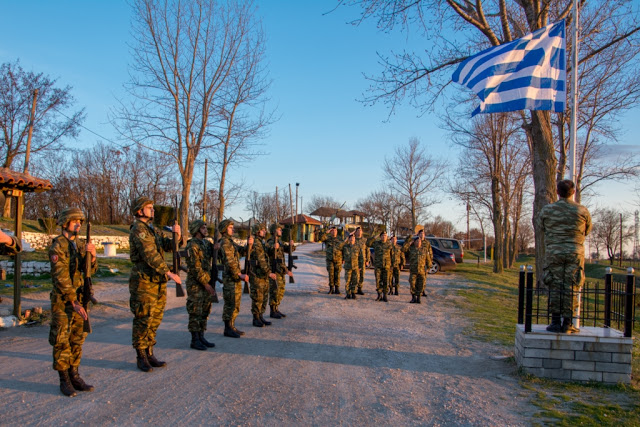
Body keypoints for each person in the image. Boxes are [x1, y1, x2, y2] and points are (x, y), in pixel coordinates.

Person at [129, 196, 182, 372]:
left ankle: (149, 352)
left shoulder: (152, 229)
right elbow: (149, 254)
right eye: (149, 207)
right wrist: (167, 272)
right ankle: (141, 356)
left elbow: (168, 245)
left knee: (155, 319)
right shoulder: (139, 229)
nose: (153, 210)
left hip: (156, 280)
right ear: (139, 211)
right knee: (143, 318)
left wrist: (177, 235)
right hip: (144, 281)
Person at [48, 207, 96, 397]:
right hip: (64, 300)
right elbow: (60, 277)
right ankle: (64, 379)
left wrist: (92, 256)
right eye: (75, 221)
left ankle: (74, 374)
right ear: (65, 222)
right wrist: (73, 301)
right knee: (62, 340)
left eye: (80, 222)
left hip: (80, 297)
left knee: (77, 338)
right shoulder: (57, 246)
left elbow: (91, 270)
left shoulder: (80, 244)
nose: (78, 224)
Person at [539, 179, 592, 334]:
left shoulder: (548, 210)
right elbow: (587, 230)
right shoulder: (582, 211)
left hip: (554, 252)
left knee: (554, 284)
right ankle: (568, 323)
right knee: (572, 285)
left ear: (557, 192)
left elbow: (541, 227)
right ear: (573, 192)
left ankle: (555, 322)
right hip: (574, 252)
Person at [185, 220, 216, 351]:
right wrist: (206, 284)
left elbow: (215, 254)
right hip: (196, 284)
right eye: (203, 228)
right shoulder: (192, 246)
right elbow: (196, 268)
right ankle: (195, 339)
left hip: (206, 282)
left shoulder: (206, 243)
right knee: (195, 311)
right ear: (196, 230)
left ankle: (201, 336)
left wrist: (217, 248)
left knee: (205, 310)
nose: (205, 229)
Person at [218, 219, 252, 338]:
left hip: (235, 278)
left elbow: (242, 251)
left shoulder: (230, 242)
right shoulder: (225, 243)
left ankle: (232, 326)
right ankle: (228, 328)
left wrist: (249, 244)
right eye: (230, 227)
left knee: (236, 303)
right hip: (230, 278)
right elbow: (229, 261)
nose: (233, 229)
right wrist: (239, 274)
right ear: (224, 229)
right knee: (230, 303)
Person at [249, 222, 276, 327]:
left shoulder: (262, 242)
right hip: (257, 275)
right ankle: (256, 318)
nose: (265, 231)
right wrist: (269, 272)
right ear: (257, 232)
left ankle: (260, 316)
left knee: (264, 297)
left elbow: (267, 254)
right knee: (258, 297)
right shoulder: (256, 243)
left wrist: (274, 247)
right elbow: (261, 261)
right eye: (262, 230)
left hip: (263, 275)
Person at [267, 223, 294, 318]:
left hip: (280, 270)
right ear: (274, 231)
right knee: (274, 290)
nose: (281, 231)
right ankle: (272, 310)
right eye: (279, 229)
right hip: (274, 269)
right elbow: (268, 252)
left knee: (280, 290)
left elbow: (288, 250)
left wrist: (291, 245)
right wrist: (274, 248)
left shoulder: (280, 242)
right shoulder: (271, 242)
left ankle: (276, 308)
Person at [404, 235, 432, 304]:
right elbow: (403, 249)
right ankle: (413, 297)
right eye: (417, 241)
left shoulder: (424, 250)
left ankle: (418, 298)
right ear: (414, 242)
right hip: (413, 270)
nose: (418, 242)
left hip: (422, 271)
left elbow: (428, 259)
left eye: (419, 241)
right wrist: (408, 242)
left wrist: (428, 267)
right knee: (412, 284)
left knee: (421, 285)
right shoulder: (411, 249)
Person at [320, 225, 345, 294]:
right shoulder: (327, 238)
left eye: (335, 230)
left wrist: (344, 258)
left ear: (337, 232)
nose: (334, 232)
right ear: (331, 232)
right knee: (331, 274)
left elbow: (343, 249)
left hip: (338, 260)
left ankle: (337, 288)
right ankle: (331, 288)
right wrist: (326, 232)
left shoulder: (340, 239)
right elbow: (321, 238)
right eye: (332, 231)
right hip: (330, 259)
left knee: (337, 274)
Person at [371, 230, 392, 302]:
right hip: (378, 265)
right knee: (378, 280)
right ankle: (379, 295)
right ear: (380, 237)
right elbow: (368, 243)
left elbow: (392, 255)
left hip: (386, 266)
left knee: (386, 281)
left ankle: (385, 295)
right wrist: (375, 236)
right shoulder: (376, 243)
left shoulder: (389, 244)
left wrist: (391, 265)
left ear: (387, 237)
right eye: (382, 235)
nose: (384, 237)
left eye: (385, 236)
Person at [341, 233, 359, 299]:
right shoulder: (345, 247)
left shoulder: (357, 247)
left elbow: (361, 257)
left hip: (355, 267)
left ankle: (353, 293)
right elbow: (342, 254)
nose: (352, 239)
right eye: (350, 238)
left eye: (353, 238)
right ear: (349, 239)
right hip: (348, 266)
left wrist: (360, 266)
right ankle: (348, 293)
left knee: (355, 280)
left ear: (355, 239)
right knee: (347, 280)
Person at [354, 227, 369, 295]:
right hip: (355, 260)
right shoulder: (353, 239)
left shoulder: (364, 240)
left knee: (362, 275)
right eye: (358, 231)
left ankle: (360, 288)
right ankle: (354, 288)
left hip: (362, 260)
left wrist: (367, 260)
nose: (359, 232)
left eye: (360, 230)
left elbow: (367, 250)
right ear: (356, 232)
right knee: (355, 275)